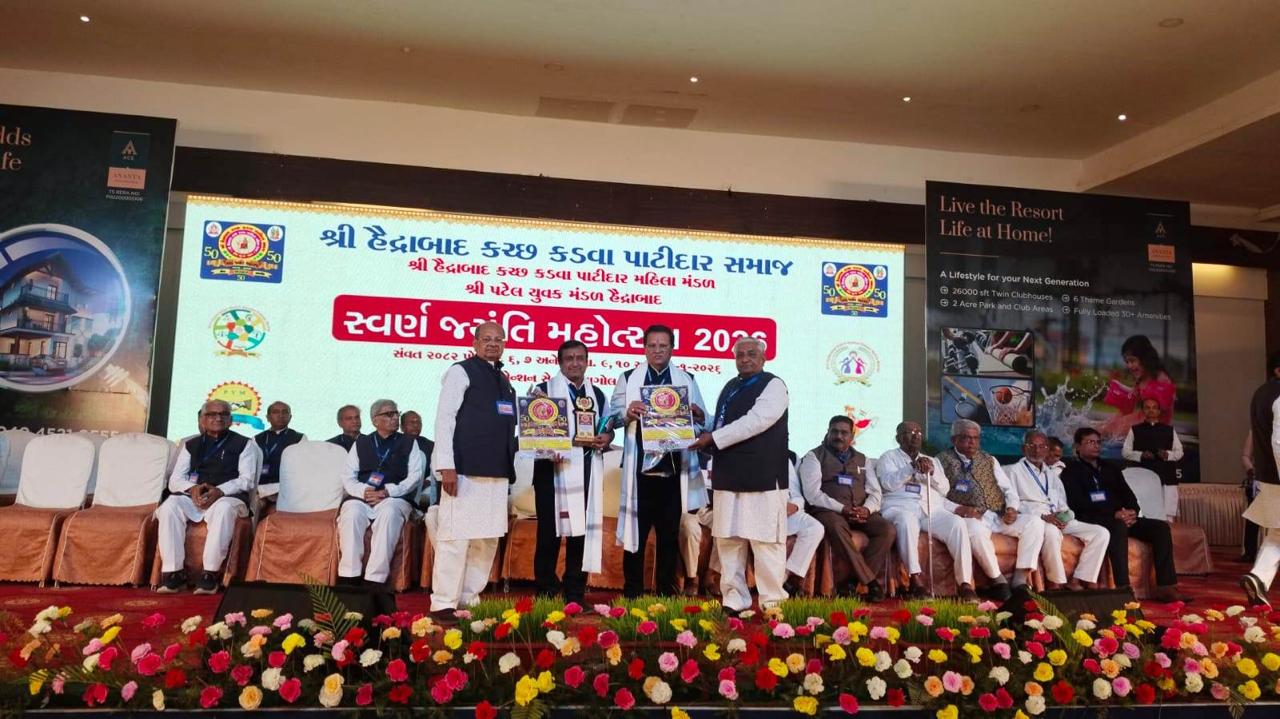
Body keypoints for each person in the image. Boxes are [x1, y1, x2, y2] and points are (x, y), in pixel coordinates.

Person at [688, 337, 788, 613]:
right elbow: (725, 424)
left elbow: (755, 422)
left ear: (764, 358)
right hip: (728, 474)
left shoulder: (773, 385)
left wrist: (713, 437)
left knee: (766, 542)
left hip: (762, 477)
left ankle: (772, 604)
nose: (745, 359)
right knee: (728, 541)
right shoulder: (731, 385)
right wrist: (705, 420)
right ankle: (734, 600)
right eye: (740, 355)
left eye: (751, 354)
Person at [610, 324, 707, 598]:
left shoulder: (686, 379)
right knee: (635, 537)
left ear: (672, 348)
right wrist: (626, 413)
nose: (657, 351)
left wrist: (696, 415)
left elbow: (703, 423)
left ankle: (666, 594)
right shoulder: (628, 378)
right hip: (638, 473)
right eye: (652, 345)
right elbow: (611, 418)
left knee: (669, 538)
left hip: (672, 473)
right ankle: (632, 594)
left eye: (663, 345)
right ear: (644, 348)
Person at [430, 321, 518, 618]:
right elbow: (445, 419)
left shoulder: (504, 379)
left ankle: (469, 598)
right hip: (464, 470)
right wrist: (446, 466)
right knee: (455, 537)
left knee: (486, 539)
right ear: (475, 342)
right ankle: (444, 602)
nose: (493, 344)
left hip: (497, 471)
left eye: (498, 339)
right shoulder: (460, 371)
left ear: (504, 344)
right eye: (487, 339)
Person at [527, 340, 614, 605]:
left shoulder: (597, 394)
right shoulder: (542, 391)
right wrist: (550, 446)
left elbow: (607, 426)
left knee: (580, 536)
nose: (575, 363)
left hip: (587, 471)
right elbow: (531, 433)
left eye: (580, 358)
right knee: (548, 536)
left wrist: (607, 437)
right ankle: (546, 591)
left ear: (587, 361)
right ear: (560, 362)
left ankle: (574, 593)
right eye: (569, 358)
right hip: (550, 473)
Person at [1062, 427, 1183, 601]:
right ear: (1077, 446)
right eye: (1090, 442)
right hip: (1093, 519)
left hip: (1121, 517)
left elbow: (1128, 494)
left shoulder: (1110, 468)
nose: (1096, 446)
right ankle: (1123, 587)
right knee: (1118, 526)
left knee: (1160, 528)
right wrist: (1114, 514)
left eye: (1098, 442)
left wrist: (1132, 511)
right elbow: (1078, 504)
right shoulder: (1071, 471)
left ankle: (1166, 586)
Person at [155, 400, 259, 594]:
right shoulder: (190, 445)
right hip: (196, 497)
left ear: (230, 420)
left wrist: (219, 491)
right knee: (169, 506)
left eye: (223, 414)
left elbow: (246, 480)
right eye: (211, 414)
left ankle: (209, 574)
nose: (217, 418)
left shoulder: (245, 444)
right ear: (202, 419)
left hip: (229, 497)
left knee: (223, 509)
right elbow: (175, 480)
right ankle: (173, 573)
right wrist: (192, 488)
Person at [938, 419, 1046, 601]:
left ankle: (1020, 579)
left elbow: (1009, 489)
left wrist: (1011, 508)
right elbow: (937, 496)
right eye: (966, 438)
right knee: (974, 531)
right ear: (954, 439)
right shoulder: (941, 460)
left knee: (1035, 522)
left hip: (997, 515)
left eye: (976, 438)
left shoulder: (989, 459)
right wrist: (959, 508)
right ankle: (998, 580)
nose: (972, 442)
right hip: (970, 516)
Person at [797, 415, 895, 601]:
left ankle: (851, 582)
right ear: (827, 432)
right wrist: (842, 509)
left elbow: (875, 492)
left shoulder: (863, 459)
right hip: (829, 511)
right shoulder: (813, 457)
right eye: (834, 431)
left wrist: (867, 509)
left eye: (844, 433)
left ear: (852, 436)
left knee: (887, 529)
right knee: (836, 526)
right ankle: (871, 583)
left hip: (860, 510)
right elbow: (812, 494)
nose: (839, 436)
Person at [875, 421, 974, 599]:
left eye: (919, 432)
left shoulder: (932, 460)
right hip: (900, 506)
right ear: (898, 438)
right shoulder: (888, 458)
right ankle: (915, 580)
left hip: (930, 509)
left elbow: (944, 489)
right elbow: (888, 484)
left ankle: (965, 584)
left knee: (957, 523)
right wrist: (911, 467)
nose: (915, 436)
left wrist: (932, 472)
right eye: (909, 432)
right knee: (906, 521)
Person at [337, 399, 425, 589]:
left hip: (394, 497)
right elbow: (347, 475)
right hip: (364, 496)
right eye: (389, 414)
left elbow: (415, 477)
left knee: (389, 512)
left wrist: (389, 491)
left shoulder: (409, 443)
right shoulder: (362, 442)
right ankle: (349, 575)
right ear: (375, 420)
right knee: (351, 512)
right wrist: (363, 491)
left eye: (396, 413)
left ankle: (375, 578)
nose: (395, 418)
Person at [1007, 430, 1109, 590]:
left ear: (1046, 449)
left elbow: (1063, 504)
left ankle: (1080, 579)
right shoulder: (1012, 471)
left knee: (1101, 533)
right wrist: (1043, 516)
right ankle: (1056, 582)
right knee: (1052, 532)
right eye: (1032, 445)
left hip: (1058, 519)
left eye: (1041, 446)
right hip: (1036, 519)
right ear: (1023, 448)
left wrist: (1064, 517)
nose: (1037, 450)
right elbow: (1013, 503)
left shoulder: (1052, 475)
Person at [1241, 353, 1280, 607]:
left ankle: (1258, 578)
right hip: (1278, 473)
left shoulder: (1261, 393)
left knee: (1278, 531)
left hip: (1269, 475)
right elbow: (1279, 441)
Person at [1100, 335, 1176, 439]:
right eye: (1127, 362)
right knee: (1106, 426)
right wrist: (1118, 388)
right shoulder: (1142, 378)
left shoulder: (1161, 379)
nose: (1129, 366)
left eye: (1132, 361)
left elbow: (1162, 407)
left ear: (1145, 358)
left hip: (1154, 429)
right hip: (1143, 422)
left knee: (1115, 428)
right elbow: (1133, 396)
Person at [1122, 397, 1184, 521]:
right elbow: (1125, 452)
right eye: (1147, 408)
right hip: (1145, 477)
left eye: (1154, 408)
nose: (1151, 410)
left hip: (1166, 476)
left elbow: (1179, 452)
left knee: (1167, 514)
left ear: (1159, 411)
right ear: (1143, 411)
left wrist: (1167, 455)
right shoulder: (1135, 430)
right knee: (1146, 511)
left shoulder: (1169, 430)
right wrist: (1141, 455)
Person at [253, 401, 305, 503]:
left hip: (285, 488)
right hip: (259, 487)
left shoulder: (299, 438)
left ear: (290, 417)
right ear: (268, 417)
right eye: (276, 412)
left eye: (285, 412)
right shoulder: (256, 439)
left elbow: (301, 469)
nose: (281, 415)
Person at [400, 411, 436, 509]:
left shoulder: (430, 445)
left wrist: (427, 481)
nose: (416, 425)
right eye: (412, 422)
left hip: (424, 487)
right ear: (402, 427)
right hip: (400, 487)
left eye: (418, 423)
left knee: (429, 496)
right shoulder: (395, 444)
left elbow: (436, 468)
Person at [1243, 431, 1260, 563]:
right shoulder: (1255, 430)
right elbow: (1245, 456)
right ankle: (1249, 553)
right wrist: (1251, 470)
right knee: (1253, 518)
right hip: (1259, 481)